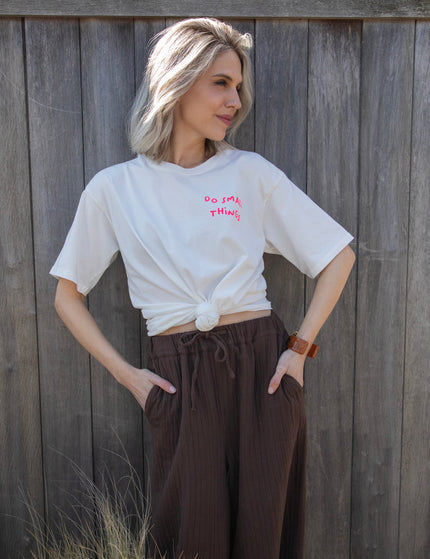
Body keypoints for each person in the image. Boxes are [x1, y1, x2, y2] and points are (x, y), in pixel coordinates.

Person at [50, 17, 355, 559]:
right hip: (179, 376)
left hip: (263, 370)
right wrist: (130, 378)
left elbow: (337, 256)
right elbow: (67, 296)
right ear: (178, 81)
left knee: (264, 532)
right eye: (220, 83)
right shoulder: (115, 189)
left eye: (237, 86)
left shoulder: (249, 174)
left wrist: (299, 350)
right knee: (194, 536)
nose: (235, 100)